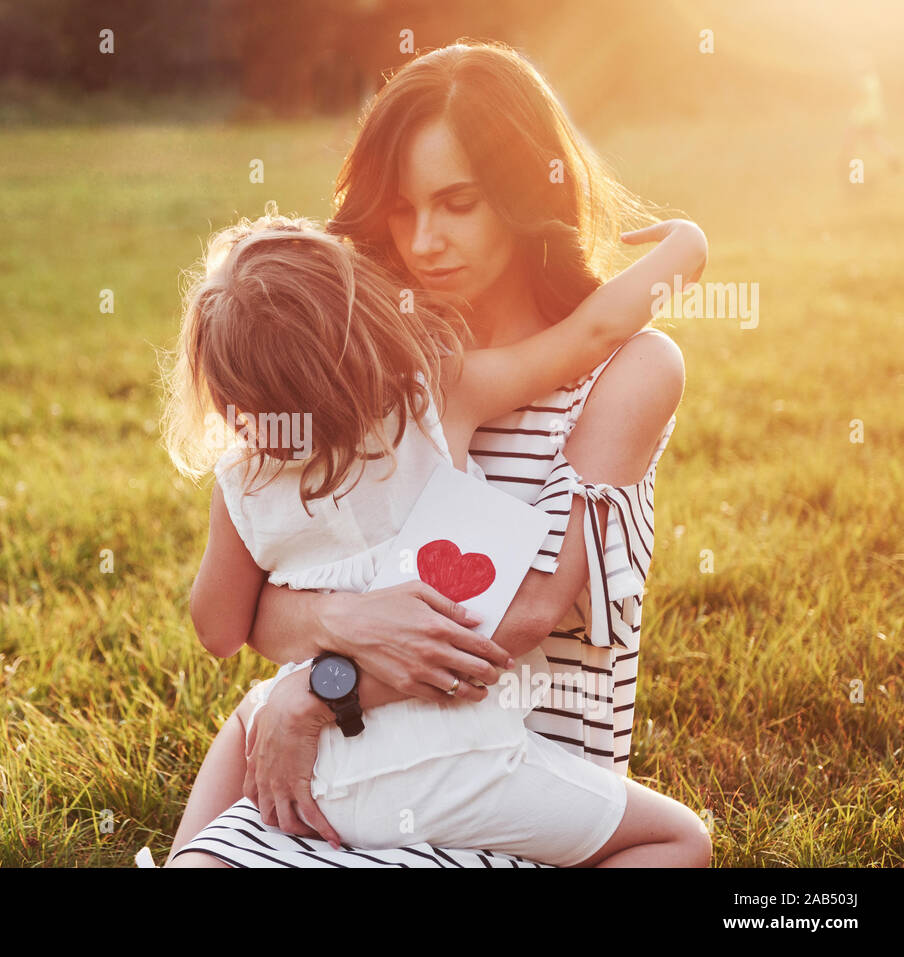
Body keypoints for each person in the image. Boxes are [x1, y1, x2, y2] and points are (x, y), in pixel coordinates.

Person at [167, 40, 700, 867]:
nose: (422, 242)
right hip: (352, 754)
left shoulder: (626, 370)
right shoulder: (369, 375)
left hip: (518, 780)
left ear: (526, 195)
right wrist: (330, 645)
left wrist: (315, 688)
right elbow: (253, 614)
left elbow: (520, 614)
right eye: (402, 209)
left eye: (458, 204)